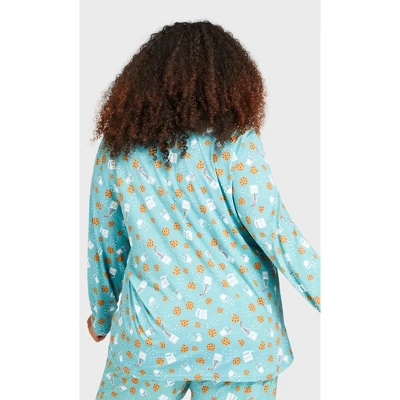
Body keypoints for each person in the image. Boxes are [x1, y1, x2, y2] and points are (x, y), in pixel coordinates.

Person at [86, 20, 320, 400]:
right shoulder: (236, 144)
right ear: (230, 81)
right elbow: (279, 235)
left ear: (142, 79)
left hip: (150, 340)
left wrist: (102, 315)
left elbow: (106, 246)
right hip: (240, 345)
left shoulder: (118, 149)